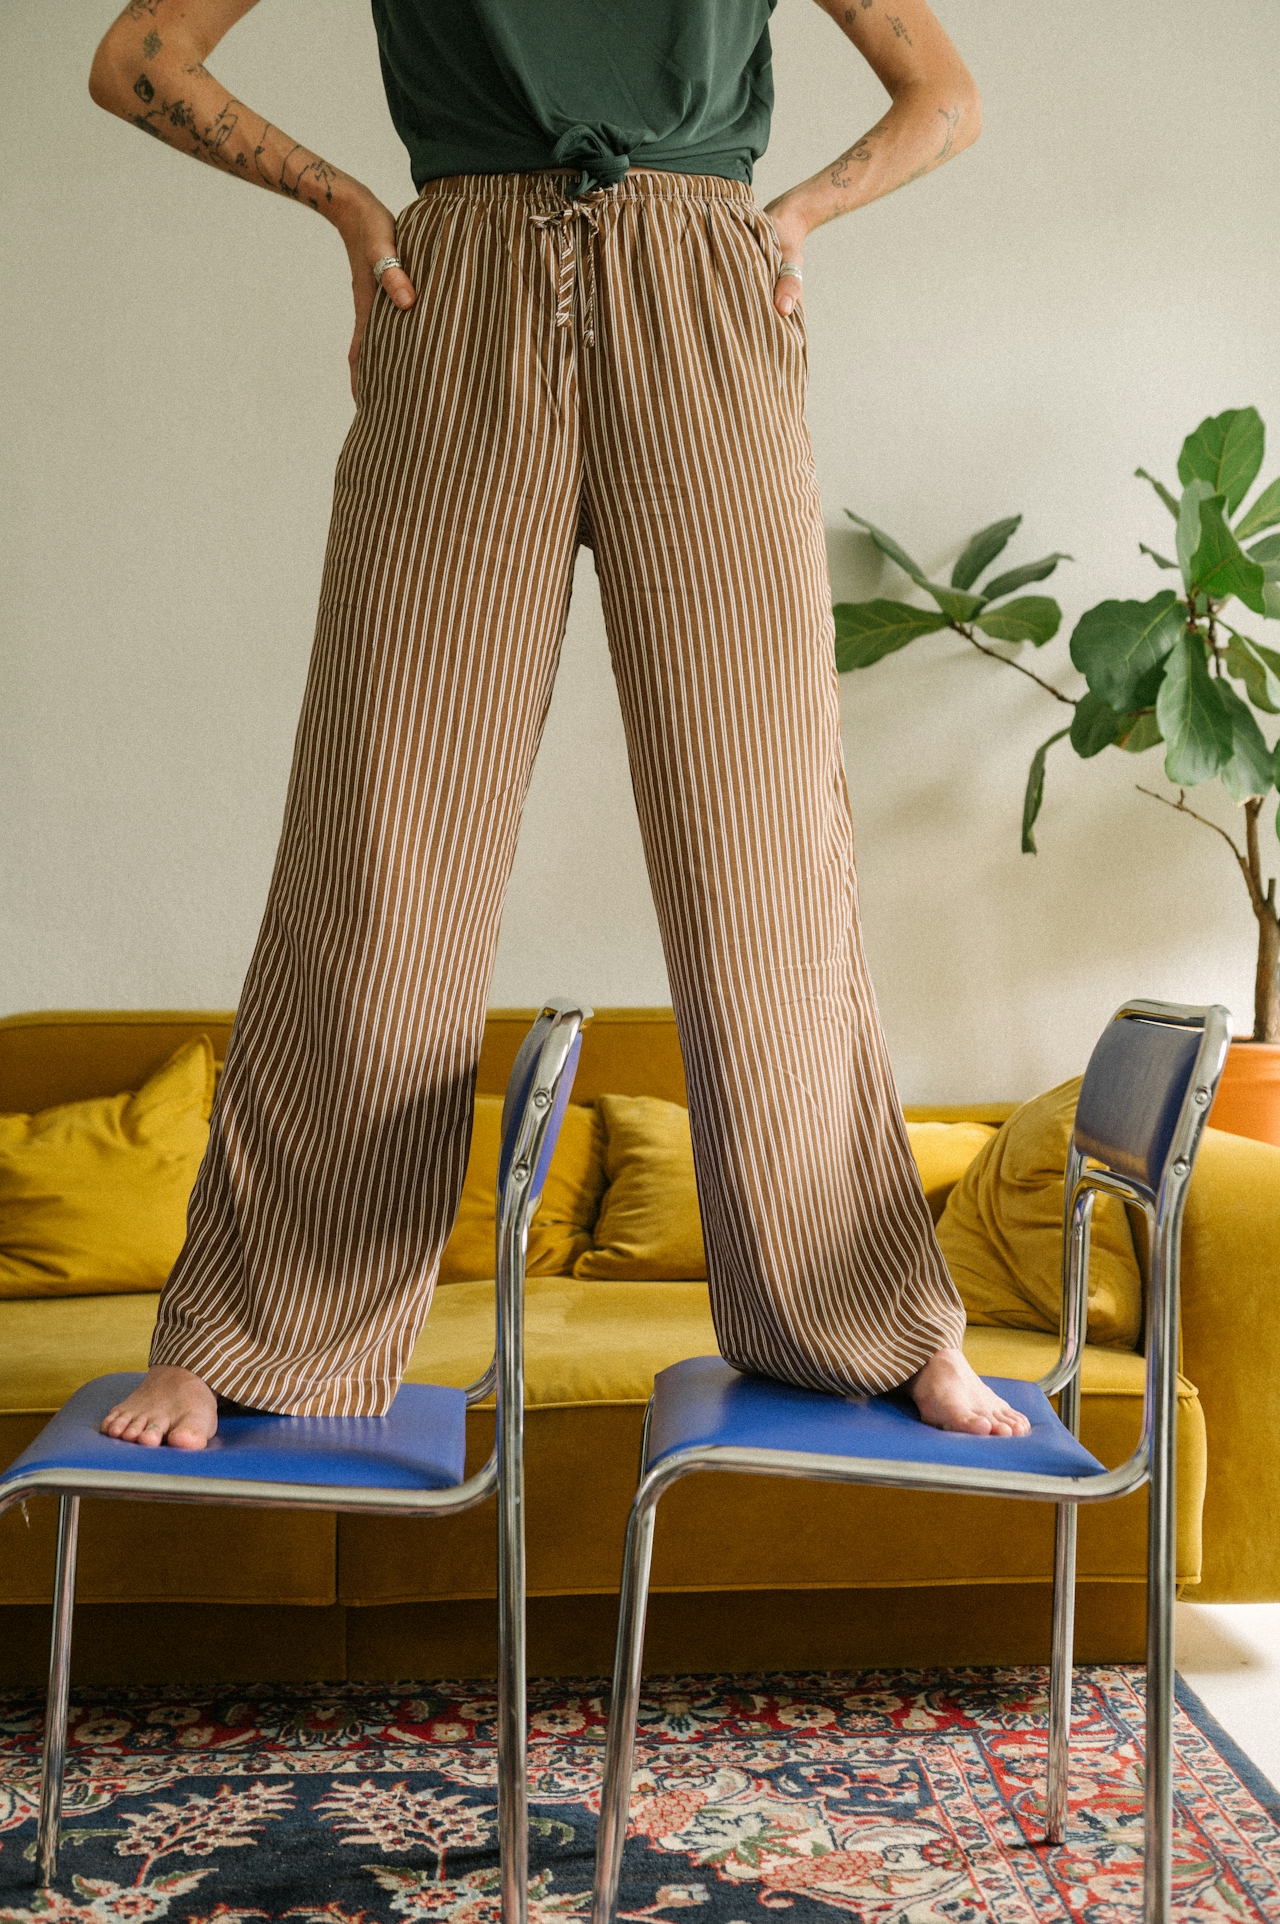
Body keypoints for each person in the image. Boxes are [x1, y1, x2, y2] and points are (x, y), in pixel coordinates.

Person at [89, 0, 1031, 1450]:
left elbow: (944, 97)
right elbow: (139, 57)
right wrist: (348, 203)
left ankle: (875, 1322)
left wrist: (794, 219)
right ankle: (244, 1334)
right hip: (457, 292)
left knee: (765, 855)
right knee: (382, 846)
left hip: (705, 300)